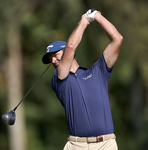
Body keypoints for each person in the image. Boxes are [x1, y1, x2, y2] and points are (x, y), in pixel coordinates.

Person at [42, 8, 123, 150]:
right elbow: (71, 45)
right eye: (51, 59)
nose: (53, 60)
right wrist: (84, 21)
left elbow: (117, 39)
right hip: (76, 145)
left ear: (66, 52)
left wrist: (97, 16)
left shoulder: (98, 72)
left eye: (56, 55)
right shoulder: (59, 80)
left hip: (106, 144)